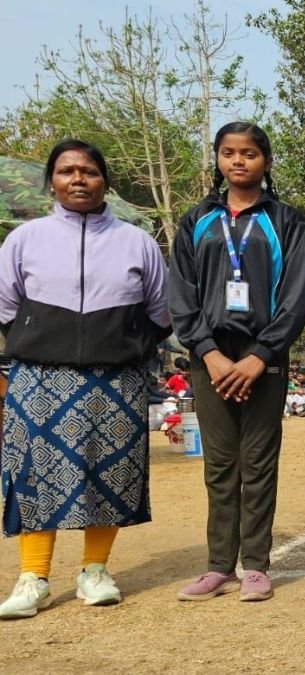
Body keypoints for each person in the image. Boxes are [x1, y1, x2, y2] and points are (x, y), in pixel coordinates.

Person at [0, 140, 170, 619]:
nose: (78, 179)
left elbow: (160, 309)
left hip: (115, 378)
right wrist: (44, 338)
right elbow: (6, 306)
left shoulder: (136, 241)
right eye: (67, 171)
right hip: (39, 377)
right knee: (34, 474)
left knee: (107, 471)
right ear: (51, 181)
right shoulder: (24, 239)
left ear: (106, 182)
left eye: (90, 171)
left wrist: (121, 342)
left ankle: (95, 570)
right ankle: (33, 577)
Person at [169, 122, 305, 602]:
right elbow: (181, 296)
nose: (238, 161)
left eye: (249, 153)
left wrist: (259, 356)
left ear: (266, 162)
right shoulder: (196, 221)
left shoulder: (287, 222)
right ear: (217, 159)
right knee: (219, 465)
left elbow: (295, 297)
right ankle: (217, 566)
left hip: (263, 359)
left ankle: (255, 565)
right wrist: (207, 353)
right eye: (228, 152)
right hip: (209, 359)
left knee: (257, 463)